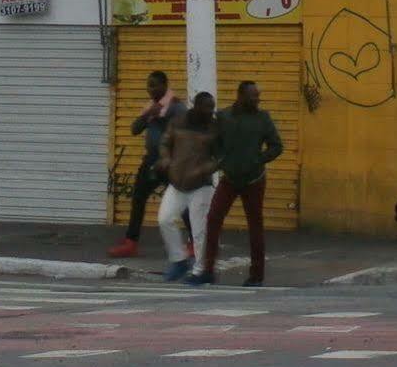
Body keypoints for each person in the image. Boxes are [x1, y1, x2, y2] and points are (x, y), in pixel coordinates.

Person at [192, 80, 284, 288]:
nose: (257, 99)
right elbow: (214, 143)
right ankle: (208, 270)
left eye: (258, 96)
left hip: (254, 179)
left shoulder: (263, 119)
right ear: (240, 96)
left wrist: (258, 159)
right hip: (230, 178)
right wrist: (222, 160)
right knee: (214, 218)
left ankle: (256, 275)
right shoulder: (224, 117)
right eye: (253, 96)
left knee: (255, 226)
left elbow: (277, 146)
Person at [109, 70, 180, 259]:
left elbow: (184, 131)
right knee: (138, 198)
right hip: (151, 161)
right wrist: (149, 114)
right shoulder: (151, 107)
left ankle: (193, 244)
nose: (150, 89)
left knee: (182, 200)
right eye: (148, 85)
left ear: (165, 85)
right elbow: (134, 129)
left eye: (154, 85)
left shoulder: (176, 106)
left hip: (170, 162)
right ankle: (131, 242)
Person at [158, 92, 222, 282]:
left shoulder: (214, 127)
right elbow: (165, 142)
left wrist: (204, 169)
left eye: (212, 107)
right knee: (165, 219)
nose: (210, 111)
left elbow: (221, 156)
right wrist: (166, 158)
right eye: (206, 107)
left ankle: (201, 270)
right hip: (177, 182)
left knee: (199, 229)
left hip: (201, 185)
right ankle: (179, 260)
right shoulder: (179, 122)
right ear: (196, 106)